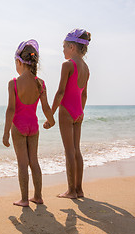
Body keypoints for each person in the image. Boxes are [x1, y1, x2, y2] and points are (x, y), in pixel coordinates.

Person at [3, 39, 55, 207]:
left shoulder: (14, 84)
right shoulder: (40, 83)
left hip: (18, 127)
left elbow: (11, 110)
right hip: (34, 127)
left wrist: (5, 133)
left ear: (19, 62)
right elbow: (46, 107)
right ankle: (38, 196)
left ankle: (24, 199)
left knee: (22, 164)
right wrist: (51, 120)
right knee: (34, 162)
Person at [45, 29, 91, 199]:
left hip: (66, 111)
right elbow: (84, 94)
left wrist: (50, 115)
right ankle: (79, 189)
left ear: (72, 47)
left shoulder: (67, 65)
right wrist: (80, 111)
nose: (62, 50)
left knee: (69, 152)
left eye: (64, 47)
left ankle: (71, 190)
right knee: (77, 150)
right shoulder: (86, 68)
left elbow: (60, 93)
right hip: (78, 111)